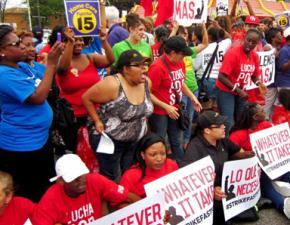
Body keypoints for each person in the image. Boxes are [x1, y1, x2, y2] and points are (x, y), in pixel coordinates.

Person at [0, 25, 62, 202]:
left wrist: (56, 57)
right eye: (16, 43)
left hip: (40, 138)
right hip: (22, 145)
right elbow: (37, 97)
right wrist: (50, 63)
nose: (22, 46)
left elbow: (50, 74)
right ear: (2, 51)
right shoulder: (3, 75)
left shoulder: (21, 66)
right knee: (31, 194)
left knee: (45, 186)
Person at [82, 49, 153, 181]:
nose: (144, 68)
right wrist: (96, 120)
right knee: (112, 177)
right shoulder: (112, 84)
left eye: (145, 64)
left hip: (134, 141)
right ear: (125, 69)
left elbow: (147, 102)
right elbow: (86, 98)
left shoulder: (147, 83)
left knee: (128, 174)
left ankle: (126, 199)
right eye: (138, 65)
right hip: (110, 141)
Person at [180, 111, 253, 225]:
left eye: (223, 123)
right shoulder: (194, 149)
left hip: (225, 188)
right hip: (210, 197)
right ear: (207, 130)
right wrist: (211, 191)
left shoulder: (222, 139)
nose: (224, 126)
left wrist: (251, 162)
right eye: (219, 125)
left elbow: (239, 152)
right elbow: (188, 183)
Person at [32, 154, 140, 225]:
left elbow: (128, 196)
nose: (81, 180)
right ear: (61, 181)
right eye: (74, 178)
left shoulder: (95, 180)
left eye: (82, 174)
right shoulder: (49, 201)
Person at [56, 27, 114, 152]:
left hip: (94, 115)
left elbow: (110, 60)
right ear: (64, 43)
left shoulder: (90, 58)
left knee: (95, 150)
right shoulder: (61, 61)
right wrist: (70, 43)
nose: (78, 43)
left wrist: (104, 41)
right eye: (74, 40)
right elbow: (62, 68)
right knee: (76, 151)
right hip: (72, 118)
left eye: (80, 40)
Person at [229, 103, 290, 220]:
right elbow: (230, 156)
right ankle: (284, 206)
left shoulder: (265, 125)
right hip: (256, 170)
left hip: (273, 164)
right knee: (267, 188)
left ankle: (284, 184)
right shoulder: (237, 135)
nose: (265, 111)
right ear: (255, 117)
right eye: (262, 111)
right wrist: (244, 155)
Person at [148, 36, 202, 163]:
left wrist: (192, 96)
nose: (184, 58)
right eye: (182, 54)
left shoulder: (180, 63)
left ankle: (181, 166)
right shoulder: (157, 67)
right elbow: (147, 93)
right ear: (172, 53)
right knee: (160, 142)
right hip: (160, 113)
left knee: (177, 141)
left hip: (176, 109)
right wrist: (166, 107)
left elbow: (179, 82)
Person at [216, 29, 267, 135]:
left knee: (242, 120)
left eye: (254, 42)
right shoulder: (233, 53)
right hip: (226, 91)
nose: (250, 44)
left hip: (241, 92)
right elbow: (221, 76)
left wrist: (259, 84)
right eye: (248, 40)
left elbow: (254, 75)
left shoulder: (254, 56)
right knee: (228, 121)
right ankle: (226, 146)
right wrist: (238, 90)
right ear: (244, 39)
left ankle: (237, 142)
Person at [119, 133, 178, 198]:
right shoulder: (129, 177)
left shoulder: (172, 165)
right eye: (153, 155)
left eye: (163, 154)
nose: (159, 159)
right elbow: (119, 204)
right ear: (143, 155)